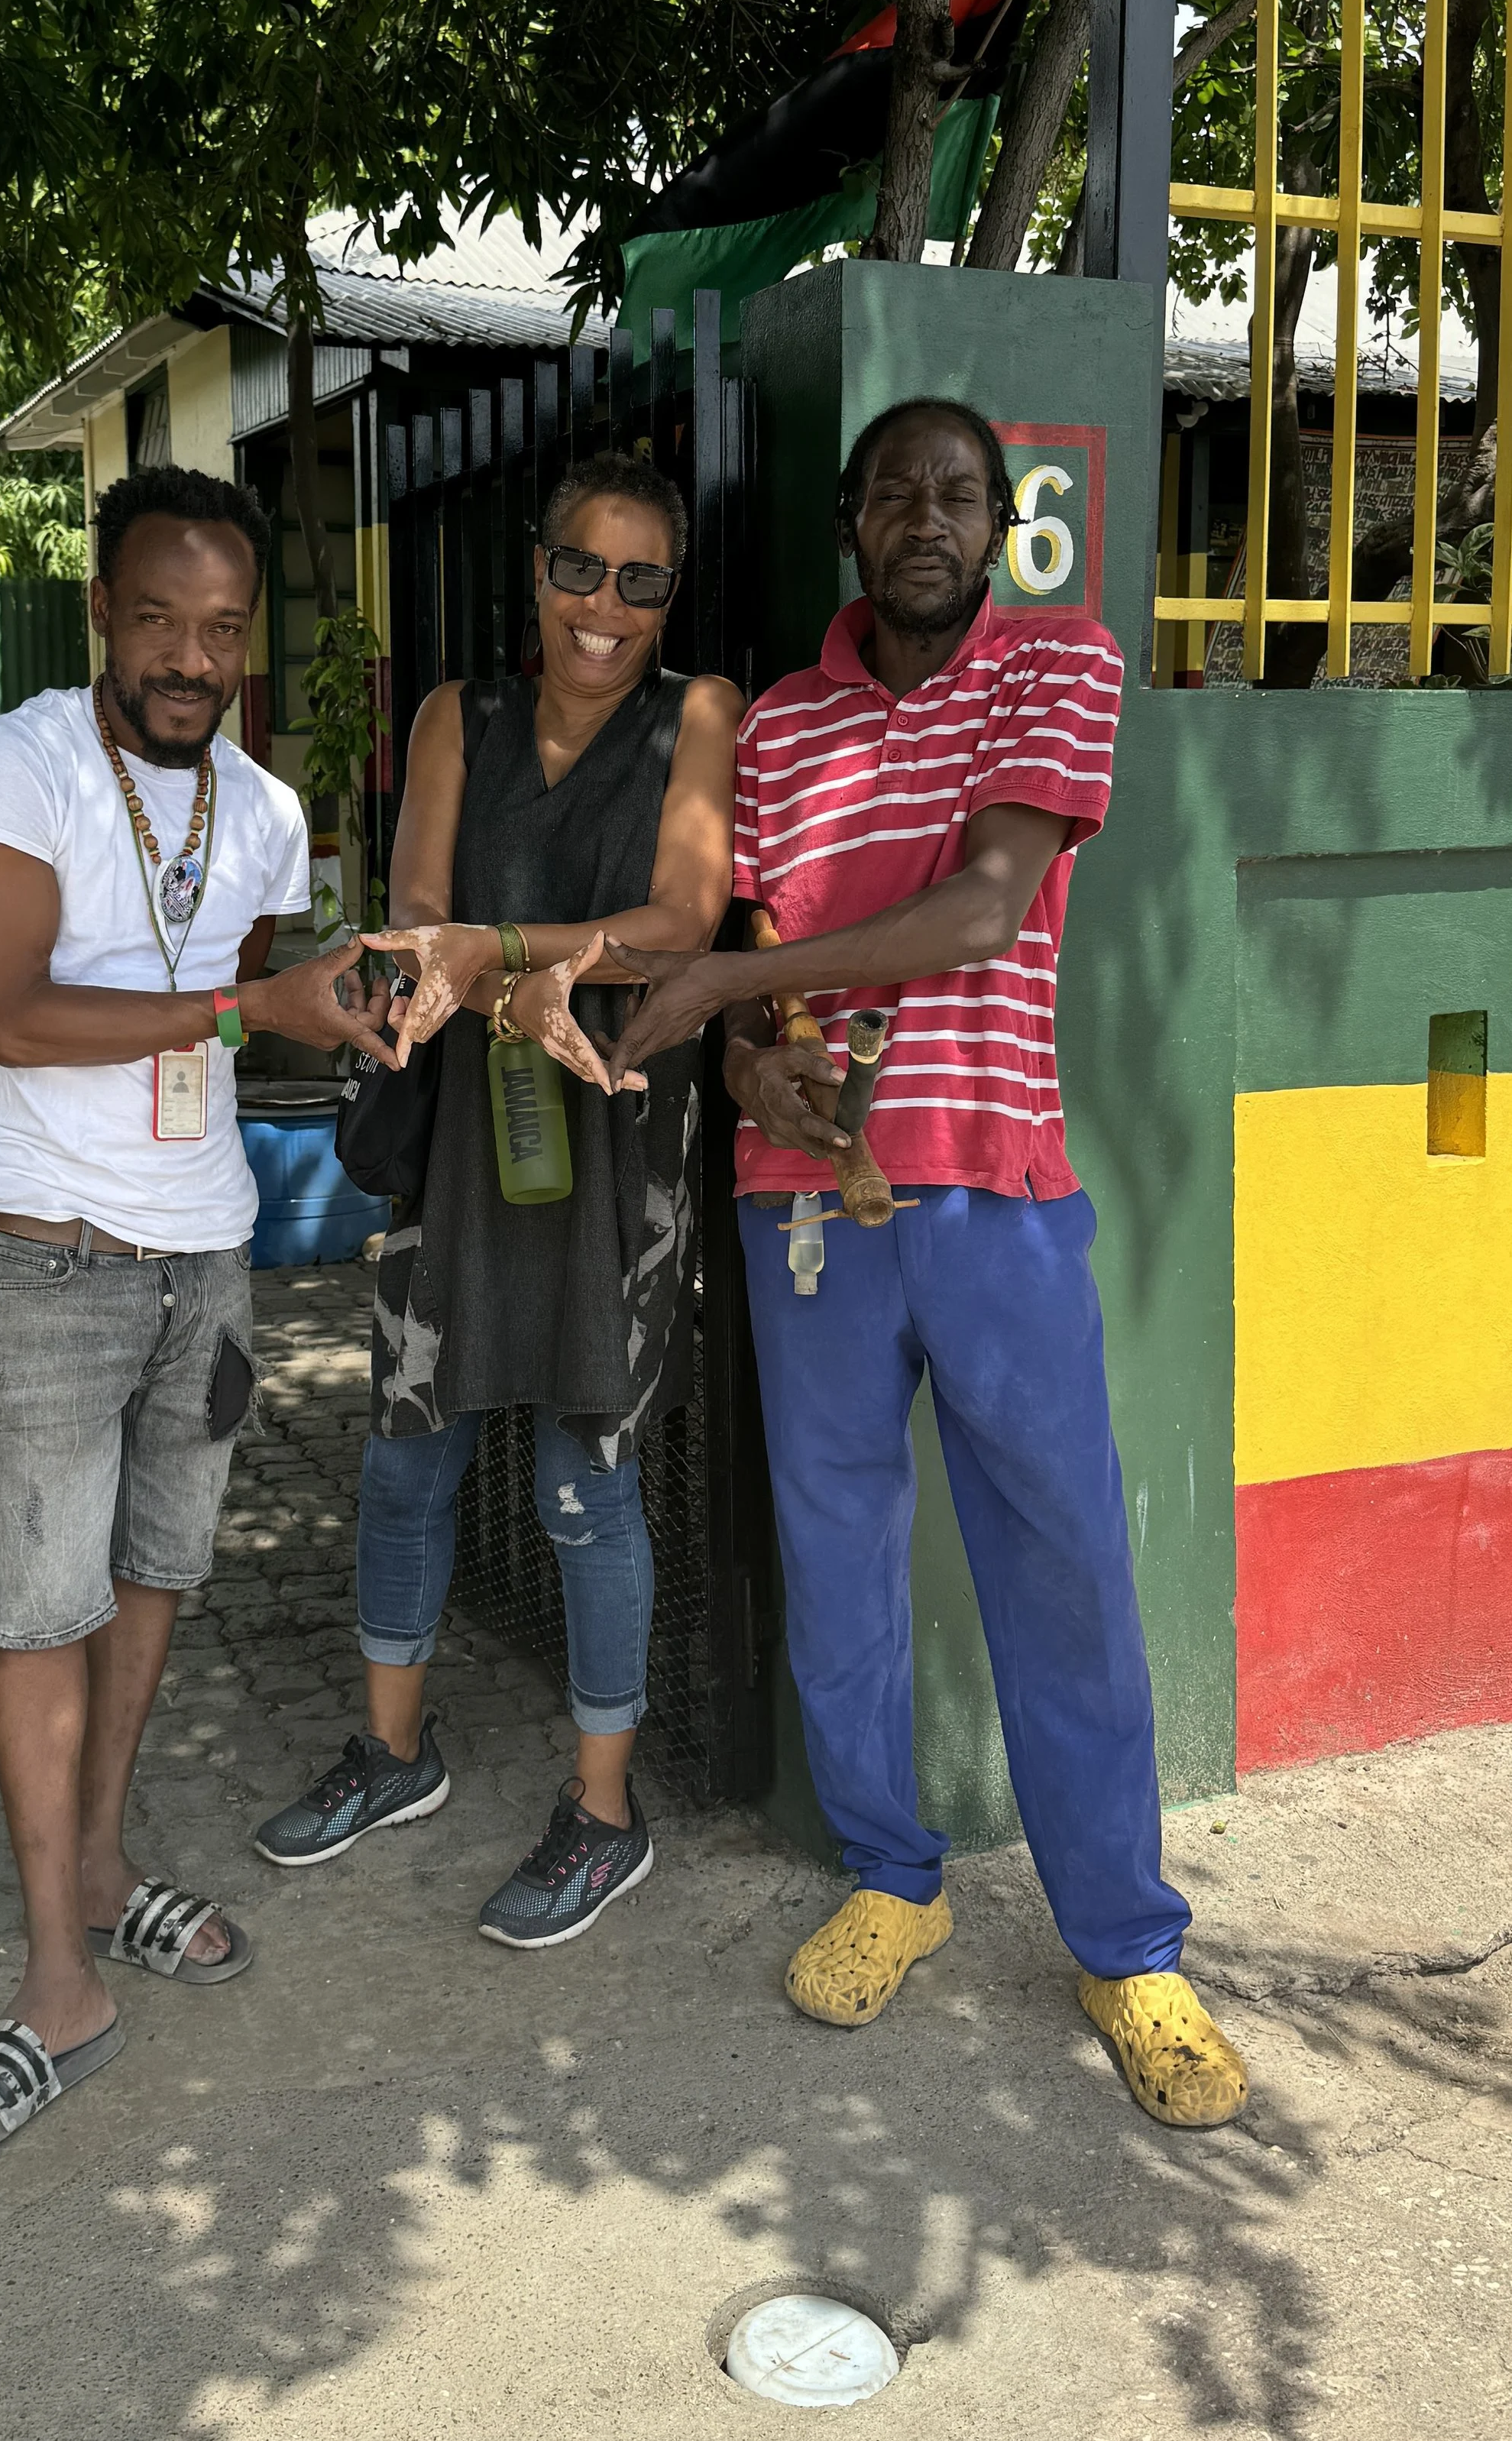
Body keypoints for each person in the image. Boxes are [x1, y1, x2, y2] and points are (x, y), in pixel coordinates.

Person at [607, 399, 1248, 2131]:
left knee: (1061, 1575)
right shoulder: (782, 726)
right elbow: (751, 948)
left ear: (997, 521)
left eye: (956, 493)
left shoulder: (1057, 666)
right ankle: (893, 1873)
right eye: (894, 489)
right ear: (848, 517)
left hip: (992, 1193)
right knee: (838, 1563)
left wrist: (722, 1004)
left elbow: (979, 910)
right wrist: (748, 1060)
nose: (924, 517)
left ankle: (1125, 1946)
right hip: (798, 1202)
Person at [0, 463, 396, 2154]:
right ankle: (56, 1977)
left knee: (149, 1578)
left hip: (210, 1249)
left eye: (224, 627)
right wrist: (248, 1000)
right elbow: (21, 1011)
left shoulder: (258, 809)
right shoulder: (18, 765)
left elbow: (220, 1015)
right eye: (159, 618)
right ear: (103, 614)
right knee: (36, 1609)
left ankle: (106, 1865)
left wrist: (325, 1012)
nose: (191, 655)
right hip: (47, 1255)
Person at [252, 452, 743, 1944]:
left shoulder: (696, 717)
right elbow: (412, 928)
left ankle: (603, 1810)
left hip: (611, 1140)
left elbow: (680, 922)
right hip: (465, 1137)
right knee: (408, 1458)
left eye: (639, 578)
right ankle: (391, 1751)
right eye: (577, 569)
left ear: (669, 597)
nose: (603, 605)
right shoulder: (451, 716)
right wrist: (474, 964)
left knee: (581, 1486)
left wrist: (514, 953)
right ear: (533, 571)